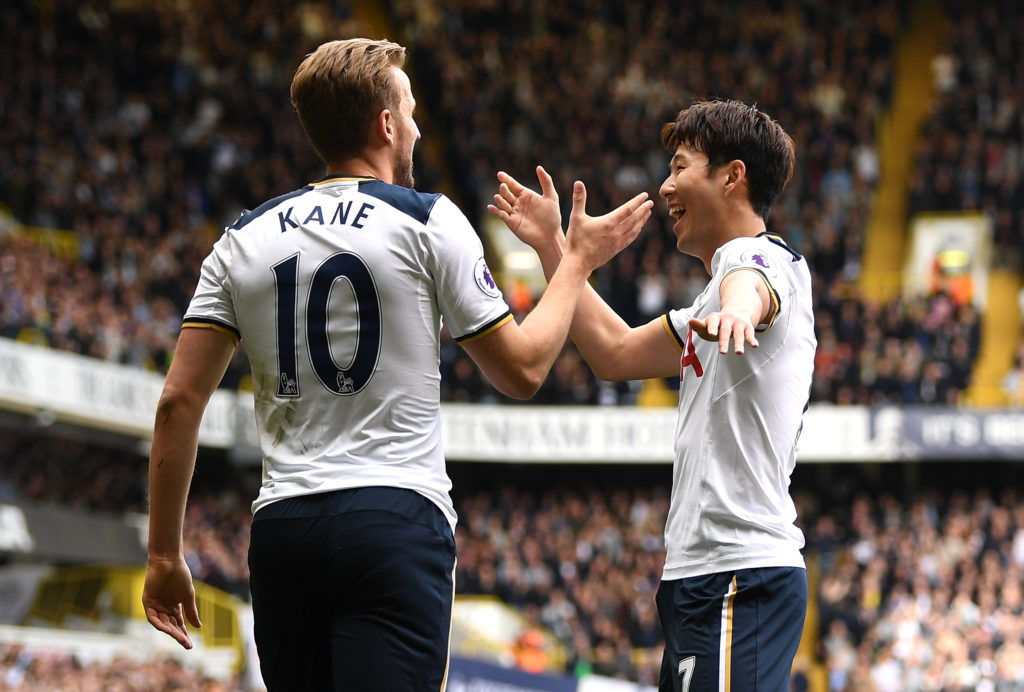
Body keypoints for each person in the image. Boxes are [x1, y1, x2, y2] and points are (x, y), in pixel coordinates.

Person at [141, 38, 652, 692]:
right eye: (409, 112)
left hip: (284, 530)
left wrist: (162, 553)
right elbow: (522, 370)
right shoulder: (428, 219)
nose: (415, 126)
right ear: (386, 124)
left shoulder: (242, 238)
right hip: (393, 522)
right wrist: (575, 261)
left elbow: (177, 404)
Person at [489, 99, 815, 691]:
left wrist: (740, 312)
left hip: (740, 575)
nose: (665, 187)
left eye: (680, 167)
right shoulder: (709, 300)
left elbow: (753, 287)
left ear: (732, 176)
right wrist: (553, 250)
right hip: (704, 577)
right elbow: (613, 352)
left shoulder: (761, 261)